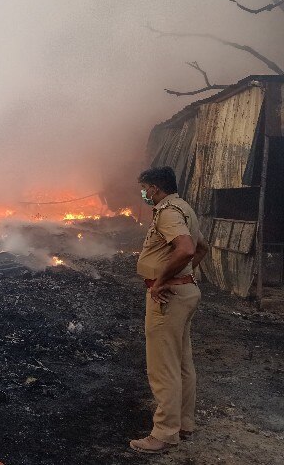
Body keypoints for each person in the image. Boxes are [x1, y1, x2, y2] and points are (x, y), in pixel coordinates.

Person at [130, 166, 209, 453]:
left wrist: (163, 280)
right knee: (182, 362)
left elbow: (186, 249)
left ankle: (164, 433)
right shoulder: (186, 208)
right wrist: (185, 277)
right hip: (184, 292)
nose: (142, 193)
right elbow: (202, 248)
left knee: (163, 366)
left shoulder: (168, 212)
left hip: (168, 298)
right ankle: (184, 424)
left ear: (154, 188)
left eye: (144, 188)